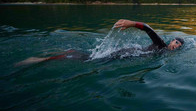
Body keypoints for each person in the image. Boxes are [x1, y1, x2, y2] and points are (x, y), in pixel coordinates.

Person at [15, 19, 184, 66]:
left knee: (87, 56)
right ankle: (43, 59)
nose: (175, 45)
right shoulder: (161, 45)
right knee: (89, 59)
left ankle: (58, 53)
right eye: (175, 42)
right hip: (122, 55)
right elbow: (148, 28)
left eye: (178, 45)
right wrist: (132, 24)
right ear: (171, 40)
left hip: (125, 55)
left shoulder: (165, 53)